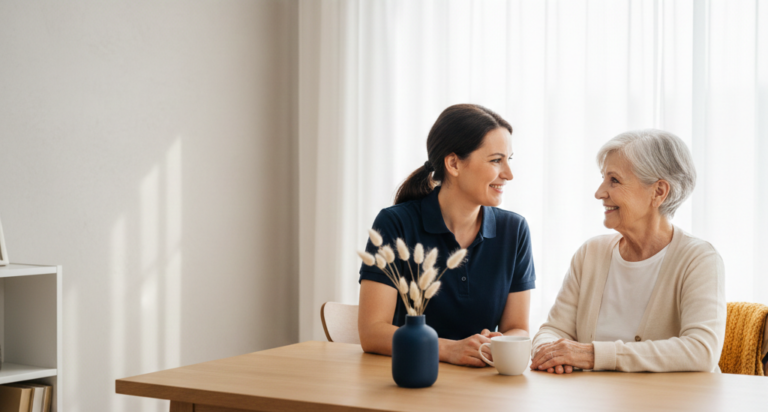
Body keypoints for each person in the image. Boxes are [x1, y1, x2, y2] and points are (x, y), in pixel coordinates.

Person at [530, 129, 726, 373]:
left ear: (659, 192)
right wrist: (549, 353)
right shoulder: (591, 253)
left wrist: (593, 355)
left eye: (614, 180)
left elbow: (701, 351)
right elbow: (554, 330)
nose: (599, 192)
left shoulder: (699, 259)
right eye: (603, 178)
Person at [358, 104, 536, 367]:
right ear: (453, 163)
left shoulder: (515, 230)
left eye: (509, 160)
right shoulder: (395, 223)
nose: (509, 174)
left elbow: (518, 329)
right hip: (409, 381)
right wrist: (449, 350)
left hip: (481, 390)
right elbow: (372, 332)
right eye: (496, 160)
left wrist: (495, 343)